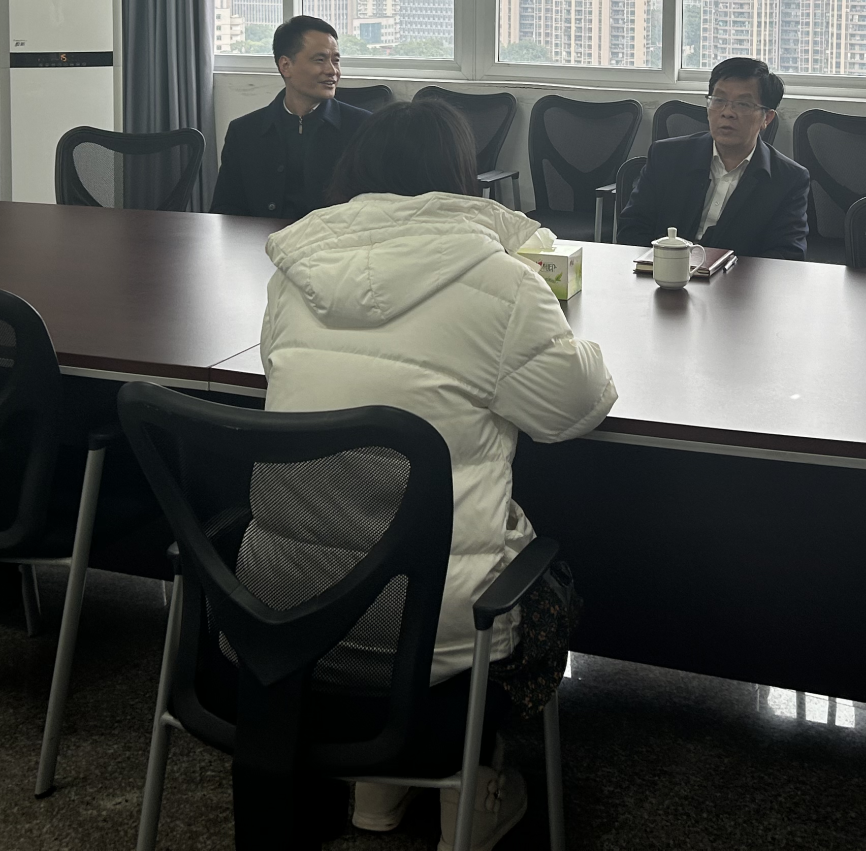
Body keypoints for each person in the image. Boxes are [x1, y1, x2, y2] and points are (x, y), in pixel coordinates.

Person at [256, 100, 617, 851]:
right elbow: (572, 408)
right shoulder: (503, 283)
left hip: (288, 606)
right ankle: (468, 784)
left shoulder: (293, 276)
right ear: (462, 178)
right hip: (437, 628)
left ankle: (379, 783)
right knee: (547, 583)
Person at [617, 56, 811, 259]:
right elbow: (632, 228)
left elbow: (788, 254)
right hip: (664, 272)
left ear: (767, 118)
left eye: (743, 104)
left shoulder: (789, 179)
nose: (728, 112)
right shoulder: (666, 156)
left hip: (739, 277)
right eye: (719, 100)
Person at [210, 16, 370, 220]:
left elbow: (375, 208)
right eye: (320, 60)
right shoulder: (244, 132)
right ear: (285, 65)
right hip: (261, 239)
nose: (332, 71)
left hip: (336, 239)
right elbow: (225, 211)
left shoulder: (363, 128)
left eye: (336, 60)